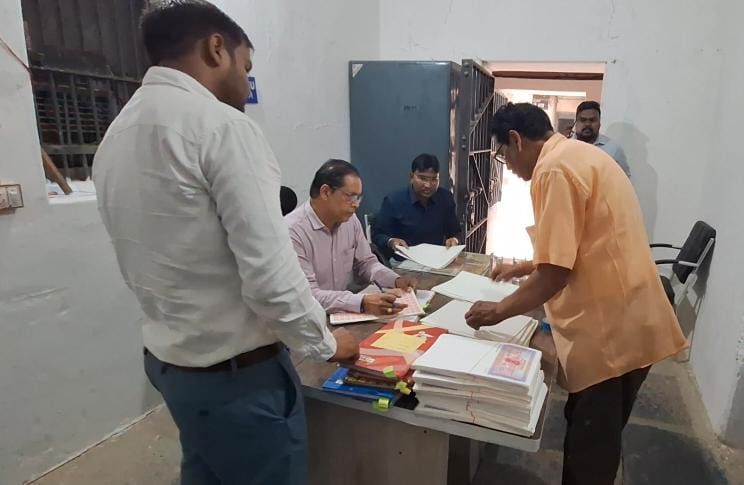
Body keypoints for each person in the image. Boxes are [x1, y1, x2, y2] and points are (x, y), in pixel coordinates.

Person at [92, 2, 358, 484]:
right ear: (217, 49)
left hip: (172, 366)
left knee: (207, 471)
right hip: (239, 379)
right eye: (246, 67)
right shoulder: (222, 127)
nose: (246, 82)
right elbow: (271, 278)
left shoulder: (116, 135)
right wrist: (325, 344)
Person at [465, 103, 687, 485]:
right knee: (599, 431)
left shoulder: (553, 169)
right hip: (632, 312)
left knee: (591, 445)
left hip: (610, 330)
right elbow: (582, 242)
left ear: (516, 140)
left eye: (503, 154)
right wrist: (525, 267)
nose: (508, 166)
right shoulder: (580, 155)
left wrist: (497, 312)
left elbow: (555, 275)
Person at [286, 159, 417, 316]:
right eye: (350, 196)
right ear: (325, 192)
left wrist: (395, 280)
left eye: (359, 198)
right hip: (311, 317)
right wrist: (361, 302)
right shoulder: (292, 231)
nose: (356, 205)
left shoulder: (350, 220)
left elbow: (366, 263)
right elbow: (307, 296)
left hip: (345, 312)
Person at [372, 153, 462, 260]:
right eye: (422, 178)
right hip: (402, 261)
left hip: (435, 260)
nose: (428, 185)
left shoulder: (445, 198)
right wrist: (391, 241)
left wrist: (454, 240)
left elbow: (455, 232)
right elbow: (378, 236)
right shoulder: (393, 201)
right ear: (411, 177)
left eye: (434, 179)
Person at [573, 100, 631, 177]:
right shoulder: (565, 147)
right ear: (576, 122)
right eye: (583, 120)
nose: (588, 124)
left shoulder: (613, 149)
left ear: (599, 123)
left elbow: (624, 179)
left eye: (592, 120)